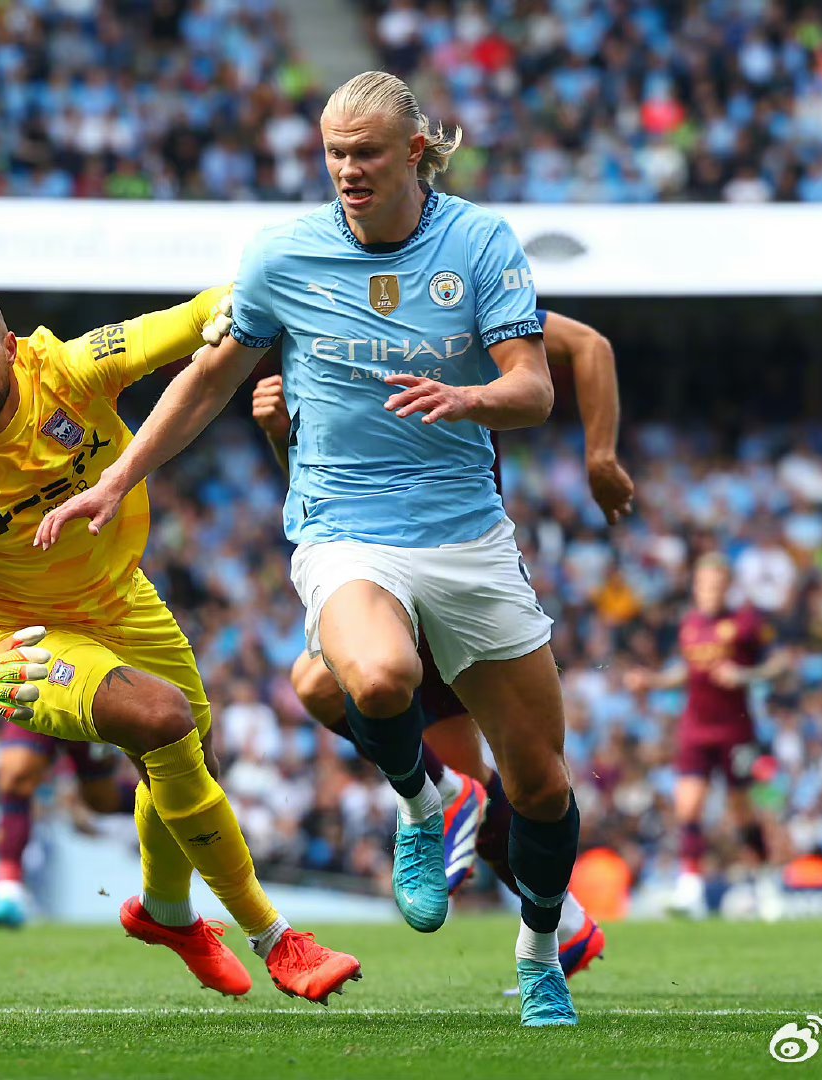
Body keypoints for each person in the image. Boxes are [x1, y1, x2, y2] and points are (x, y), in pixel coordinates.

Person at [38, 71, 584, 1026]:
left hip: (466, 533)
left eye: (365, 153)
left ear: (415, 152)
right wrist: (120, 477)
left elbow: (535, 390)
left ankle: (540, 952)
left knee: (539, 786)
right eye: (333, 154)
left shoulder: (480, 243)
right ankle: (421, 807)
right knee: (372, 680)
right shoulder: (283, 256)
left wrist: (469, 397)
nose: (347, 171)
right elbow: (210, 378)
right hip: (345, 529)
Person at [0, 283, 360, 1003]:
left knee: (196, 757)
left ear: (8, 349)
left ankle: (166, 913)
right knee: (162, 720)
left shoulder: (66, 369)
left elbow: (189, 321)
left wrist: (241, 298)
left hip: (122, 599)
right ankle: (274, 937)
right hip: (24, 641)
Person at [250, 305, 630, 980]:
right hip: (378, 566)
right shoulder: (331, 335)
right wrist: (282, 435)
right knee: (346, 704)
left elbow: (590, 345)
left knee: (506, 782)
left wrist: (599, 455)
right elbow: (317, 491)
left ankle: (550, 915)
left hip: (456, 563)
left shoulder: (469, 307)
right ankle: (560, 922)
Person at [625, 553, 789, 918]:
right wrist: (653, 681)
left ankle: (766, 884)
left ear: (728, 586)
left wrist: (744, 676)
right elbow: (689, 671)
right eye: (703, 585)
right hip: (696, 728)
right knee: (688, 806)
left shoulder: (746, 623)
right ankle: (691, 888)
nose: (709, 592)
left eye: (716, 585)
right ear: (696, 587)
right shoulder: (691, 624)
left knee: (742, 811)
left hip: (736, 730)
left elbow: (780, 664)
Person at [0, 730, 133, 928]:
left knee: (102, 801)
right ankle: (8, 892)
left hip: (86, 707)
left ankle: (167, 803)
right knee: (15, 775)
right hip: (36, 702)